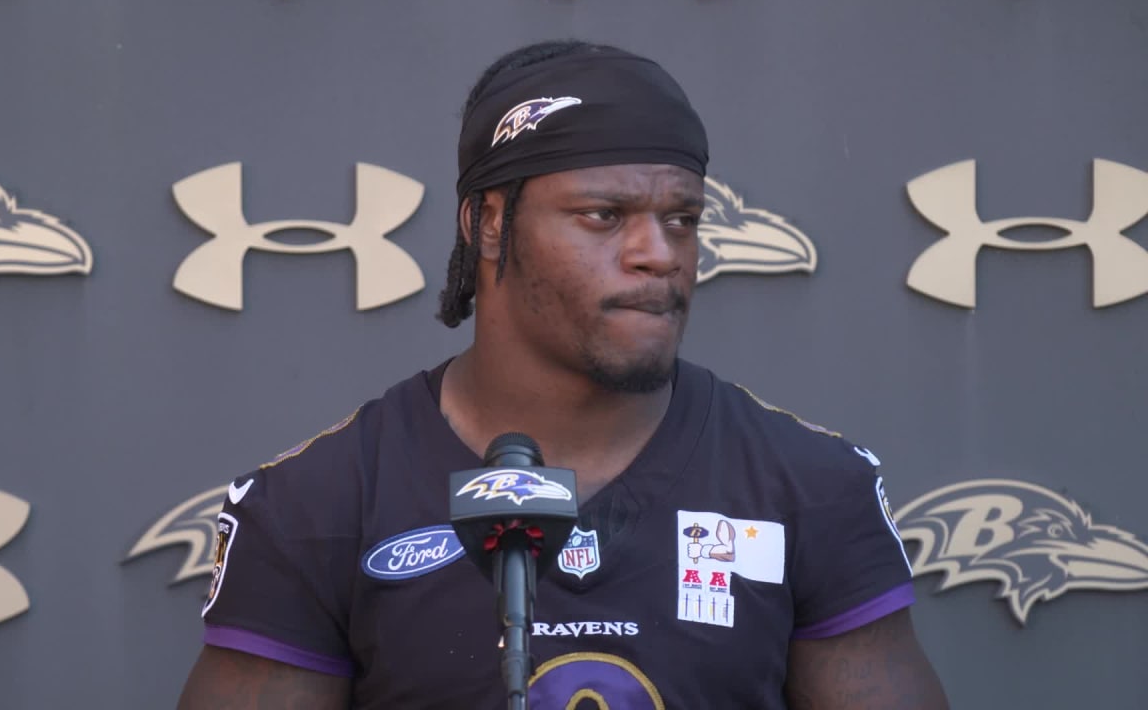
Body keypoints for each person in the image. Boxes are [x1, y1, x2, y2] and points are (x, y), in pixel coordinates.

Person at [177, 39, 950, 709]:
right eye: (603, 215)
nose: (659, 252)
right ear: (485, 223)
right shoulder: (319, 502)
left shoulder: (809, 485)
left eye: (681, 218)